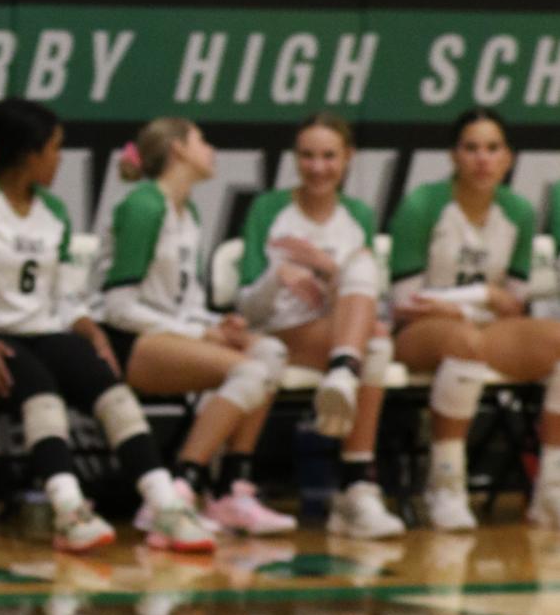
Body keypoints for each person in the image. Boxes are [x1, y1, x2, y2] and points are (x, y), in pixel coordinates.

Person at [0, 100, 216, 553]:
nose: (60, 159)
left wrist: (91, 331)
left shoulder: (54, 211)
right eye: (55, 149)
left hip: (42, 332)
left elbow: (63, 298)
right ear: (28, 153)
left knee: (107, 384)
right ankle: (68, 510)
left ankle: (165, 505)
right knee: (40, 389)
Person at [98, 118, 295, 536]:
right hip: (120, 340)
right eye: (202, 140)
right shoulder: (143, 205)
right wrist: (197, 333)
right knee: (249, 370)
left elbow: (181, 303)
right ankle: (176, 491)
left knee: (269, 352)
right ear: (178, 150)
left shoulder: (187, 212)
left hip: (164, 333)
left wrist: (215, 324)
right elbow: (117, 305)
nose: (211, 149)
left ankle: (230, 492)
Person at [389, 108, 560, 531]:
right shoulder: (423, 204)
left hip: (484, 331)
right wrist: (480, 297)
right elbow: (405, 300)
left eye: (493, 148)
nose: (482, 159)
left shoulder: (518, 210)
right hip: (416, 333)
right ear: (453, 156)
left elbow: (513, 303)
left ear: (509, 158)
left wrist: (464, 305)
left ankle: (551, 488)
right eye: (471, 148)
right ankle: (445, 484)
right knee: (464, 341)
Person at [236, 113, 405, 540]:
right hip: (281, 332)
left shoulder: (358, 214)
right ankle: (355, 481)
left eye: (329, 156)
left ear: (348, 158)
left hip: (335, 331)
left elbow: (368, 297)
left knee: (377, 338)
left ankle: (355, 491)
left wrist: (328, 270)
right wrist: (279, 276)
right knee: (375, 345)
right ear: (295, 158)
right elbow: (247, 309)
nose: (317, 167)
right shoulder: (269, 208)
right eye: (307, 156)